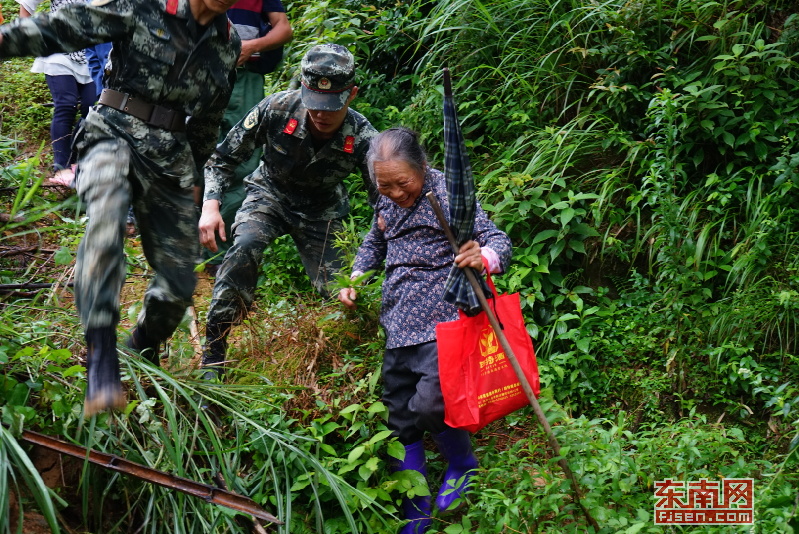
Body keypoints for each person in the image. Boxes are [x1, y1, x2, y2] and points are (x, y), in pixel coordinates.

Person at [0, 0, 241, 416]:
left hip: (171, 158)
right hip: (111, 133)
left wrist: (196, 178)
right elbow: (66, 26)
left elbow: (209, 118)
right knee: (107, 221)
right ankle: (101, 356)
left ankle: (141, 347)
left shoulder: (227, 42)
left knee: (180, 283)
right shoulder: (145, 5)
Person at [338, 127, 512, 533]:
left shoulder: (448, 195)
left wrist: (480, 255)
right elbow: (374, 243)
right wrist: (357, 277)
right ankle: (416, 501)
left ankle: (463, 462)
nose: (395, 192)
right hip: (397, 320)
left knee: (432, 405)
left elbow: (496, 239)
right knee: (400, 414)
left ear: (422, 166)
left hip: (444, 318)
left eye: (403, 182)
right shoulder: (386, 199)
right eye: (384, 184)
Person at [198, 43, 378, 378]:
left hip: (322, 211)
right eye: (315, 104)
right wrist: (211, 205)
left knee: (344, 290)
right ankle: (214, 349)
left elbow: (384, 202)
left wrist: (371, 257)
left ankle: (349, 362)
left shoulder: (364, 136)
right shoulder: (277, 108)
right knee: (245, 248)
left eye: (332, 105)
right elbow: (222, 159)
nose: (321, 114)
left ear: (351, 94)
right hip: (269, 196)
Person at [201, 0, 293, 275]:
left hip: (246, 78)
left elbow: (284, 28)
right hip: (200, 75)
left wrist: (252, 46)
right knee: (195, 157)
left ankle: (218, 252)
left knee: (242, 162)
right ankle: (187, 243)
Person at [16, 0, 97, 187]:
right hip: (58, 51)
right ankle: (61, 167)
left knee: (92, 108)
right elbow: (27, 5)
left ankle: (77, 160)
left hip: (90, 55)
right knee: (66, 104)